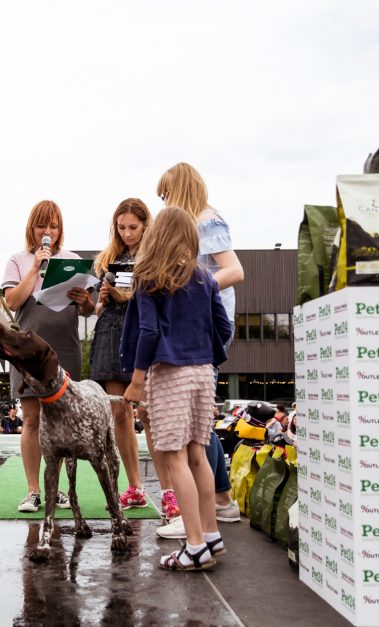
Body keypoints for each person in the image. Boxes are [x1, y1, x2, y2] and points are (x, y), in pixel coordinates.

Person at [121, 207, 232, 571]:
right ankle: (211, 535)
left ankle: (195, 545)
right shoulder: (203, 277)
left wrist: (137, 380)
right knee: (198, 453)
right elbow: (223, 325)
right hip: (203, 372)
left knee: (174, 457)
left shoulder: (149, 277)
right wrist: (207, 352)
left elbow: (149, 332)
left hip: (170, 372)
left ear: (155, 237)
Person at [157, 162, 245, 525]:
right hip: (200, 322)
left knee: (196, 421)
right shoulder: (196, 222)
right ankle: (221, 499)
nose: (163, 202)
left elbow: (234, 269)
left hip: (204, 323)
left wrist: (190, 289)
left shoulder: (206, 221)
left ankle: (208, 508)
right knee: (200, 418)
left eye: (165, 194)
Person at [2, 199, 95, 513]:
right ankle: (33, 491)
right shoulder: (18, 260)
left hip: (65, 348)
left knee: (65, 423)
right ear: (32, 227)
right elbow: (12, 301)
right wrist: (35, 268)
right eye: (43, 225)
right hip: (28, 348)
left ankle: (61, 491)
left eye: (53, 226)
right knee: (31, 420)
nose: (48, 231)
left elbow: (88, 310)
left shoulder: (72, 260)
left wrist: (84, 300)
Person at [86, 198, 152, 510]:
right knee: (120, 414)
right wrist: (102, 298)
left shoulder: (155, 256)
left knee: (148, 414)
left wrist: (125, 295)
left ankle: (168, 491)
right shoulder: (108, 259)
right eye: (121, 227)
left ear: (146, 225)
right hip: (110, 332)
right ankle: (135, 487)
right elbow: (97, 310)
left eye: (133, 227)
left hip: (142, 332)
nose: (127, 233)